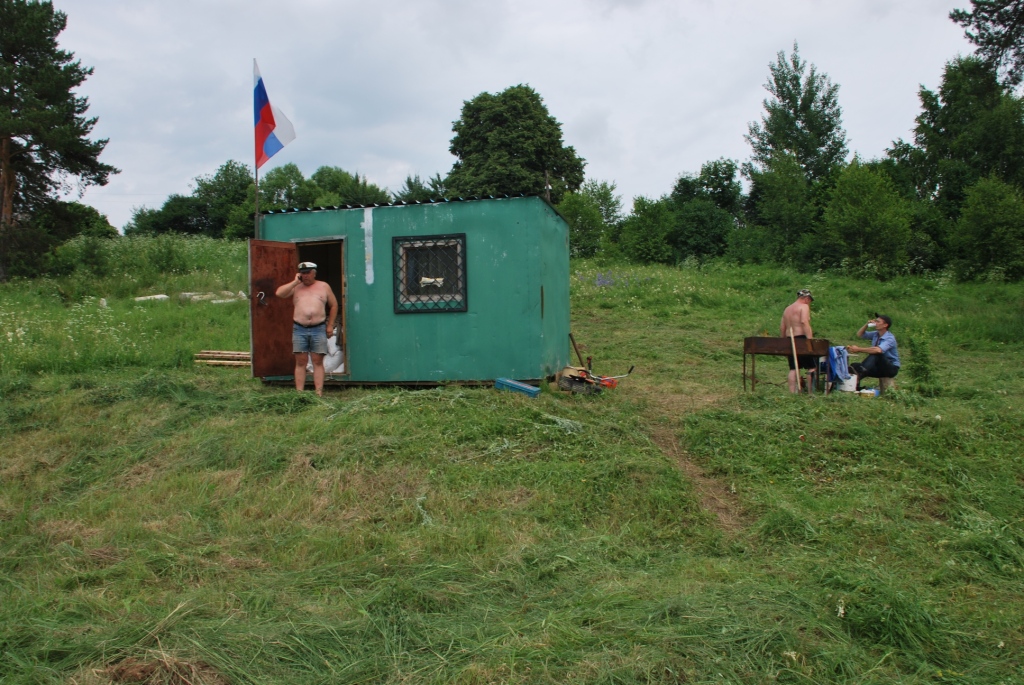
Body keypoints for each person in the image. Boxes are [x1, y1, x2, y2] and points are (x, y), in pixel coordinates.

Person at [275, 261, 338, 397]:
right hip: (300, 328)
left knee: (317, 360)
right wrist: (294, 282)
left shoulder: (323, 286)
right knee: (301, 361)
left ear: (314, 273)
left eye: (308, 273)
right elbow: (279, 293)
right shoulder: (296, 287)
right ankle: (300, 393)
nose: (305, 276)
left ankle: (319, 393)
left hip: (318, 328)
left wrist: (330, 325)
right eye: (303, 273)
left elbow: (334, 305)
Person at [848, 314, 900, 390]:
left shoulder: (890, 338)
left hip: (890, 368)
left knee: (877, 354)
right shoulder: (876, 334)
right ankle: (854, 386)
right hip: (878, 367)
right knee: (854, 365)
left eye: (878, 321)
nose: (876, 323)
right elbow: (859, 334)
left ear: (885, 325)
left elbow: (878, 350)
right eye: (875, 321)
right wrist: (867, 325)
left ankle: (858, 375)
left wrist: (859, 349)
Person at [780, 289, 816, 394]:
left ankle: (792, 393)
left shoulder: (787, 309)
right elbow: (804, 322)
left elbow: (782, 327)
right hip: (801, 339)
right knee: (812, 367)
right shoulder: (804, 307)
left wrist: (783, 342)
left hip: (789, 339)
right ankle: (810, 392)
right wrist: (810, 340)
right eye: (810, 300)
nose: (809, 302)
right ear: (806, 298)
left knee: (793, 368)